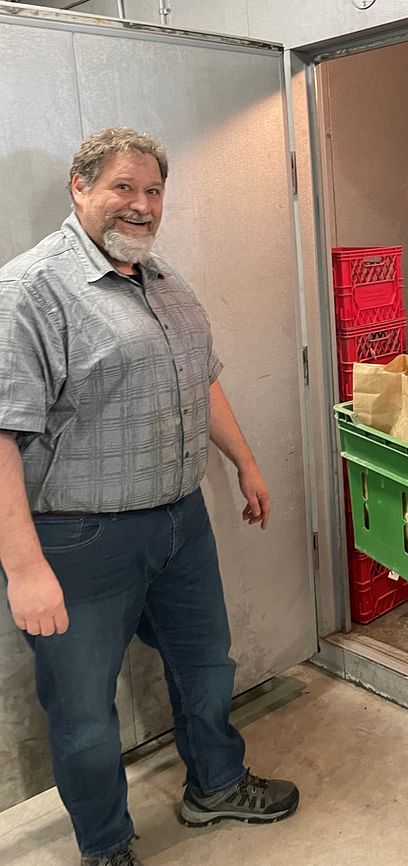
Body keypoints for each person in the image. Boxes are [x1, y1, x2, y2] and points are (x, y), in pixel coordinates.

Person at [0, 128, 299, 866]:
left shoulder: (162, 278)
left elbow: (200, 377)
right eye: (123, 188)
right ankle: (105, 848)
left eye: (153, 191)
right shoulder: (29, 290)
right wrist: (24, 567)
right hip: (78, 541)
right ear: (80, 187)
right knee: (83, 716)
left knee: (207, 667)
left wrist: (244, 463)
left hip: (179, 521)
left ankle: (217, 786)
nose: (140, 205)